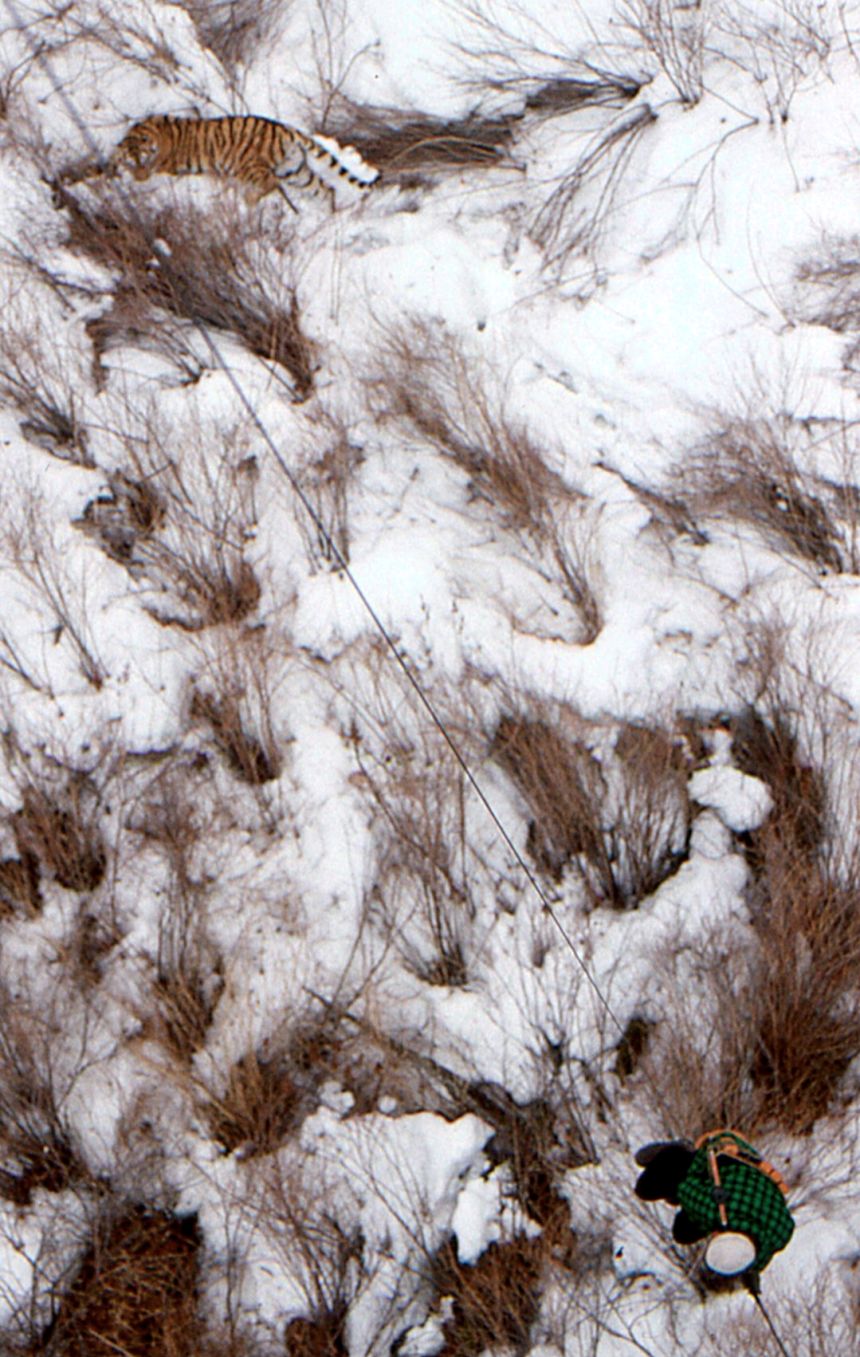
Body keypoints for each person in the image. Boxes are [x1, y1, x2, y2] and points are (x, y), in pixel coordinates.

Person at [634, 1128, 795, 1284]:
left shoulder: (780, 1237)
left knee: (683, 1231)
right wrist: (678, 1198)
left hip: (748, 1170)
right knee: (645, 1190)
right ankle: (678, 1151)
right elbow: (685, 1187)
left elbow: (753, 1266)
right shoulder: (713, 1210)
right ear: (718, 1235)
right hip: (716, 1157)